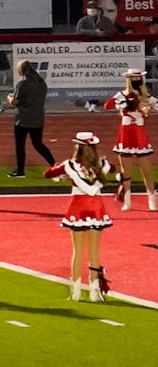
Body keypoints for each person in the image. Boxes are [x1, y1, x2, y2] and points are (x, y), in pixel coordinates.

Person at [48, 131, 115, 301]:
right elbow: (113, 169)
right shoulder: (103, 164)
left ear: (78, 147)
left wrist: (62, 174)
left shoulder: (70, 165)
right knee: (94, 251)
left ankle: (76, 291)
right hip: (96, 207)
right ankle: (94, 291)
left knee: (77, 251)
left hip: (78, 206)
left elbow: (48, 173)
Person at [105, 68, 152, 209]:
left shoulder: (146, 97)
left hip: (139, 134)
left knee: (146, 169)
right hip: (125, 133)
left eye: (138, 79)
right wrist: (122, 102)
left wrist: (145, 106)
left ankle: (152, 200)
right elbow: (108, 105)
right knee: (126, 171)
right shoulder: (122, 94)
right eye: (133, 79)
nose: (136, 81)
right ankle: (127, 200)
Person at [10, 58, 55, 176]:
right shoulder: (41, 83)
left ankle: (20, 170)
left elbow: (15, 101)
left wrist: (9, 98)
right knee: (38, 144)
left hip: (23, 118)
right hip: (38, 117)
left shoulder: (22, 84)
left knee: (20, 145)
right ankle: (54, 165)